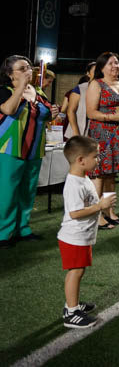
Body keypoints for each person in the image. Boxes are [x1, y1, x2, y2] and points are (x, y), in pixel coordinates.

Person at [58, 136, 116, 329]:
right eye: (95, 156)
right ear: (81, 160)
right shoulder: (74, 183)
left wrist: (100, 204)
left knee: (79, 271)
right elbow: (74, 213)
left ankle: (72, 304)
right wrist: (100, 206)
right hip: (74, 236)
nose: (98, 160)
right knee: (76, 271)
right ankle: (71, 312)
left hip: (82, 235)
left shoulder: (83, 178)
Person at [0, 55, 58, 248]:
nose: (28, 71)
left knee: (27, 191)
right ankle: (4, 232)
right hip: (10, 148)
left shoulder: (38, 90)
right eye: (22, 68)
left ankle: (22, 228)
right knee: (7, 193)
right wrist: (20, 88)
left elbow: (45, 113)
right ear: (10, 74)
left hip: (34, 149)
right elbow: (8, 110)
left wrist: (52, 112)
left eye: (29, 67)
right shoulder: (4, 90)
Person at [85, 52, 119, 229]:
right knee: (99, 175)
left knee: (111, 174)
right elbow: (91, 112)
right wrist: (114, 117)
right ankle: (97, 215)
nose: (115, 66)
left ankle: (109, 211)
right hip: (102, 135)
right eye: (111, 64)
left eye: (117, 63)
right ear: (102, 68)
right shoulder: (96, 84)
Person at [64, 62, 95, 139]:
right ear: (88, 73)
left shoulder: (105, 89)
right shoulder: (80, 88)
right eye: (95, 71)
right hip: (80, 130)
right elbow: (70, 111)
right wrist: (76, 132)